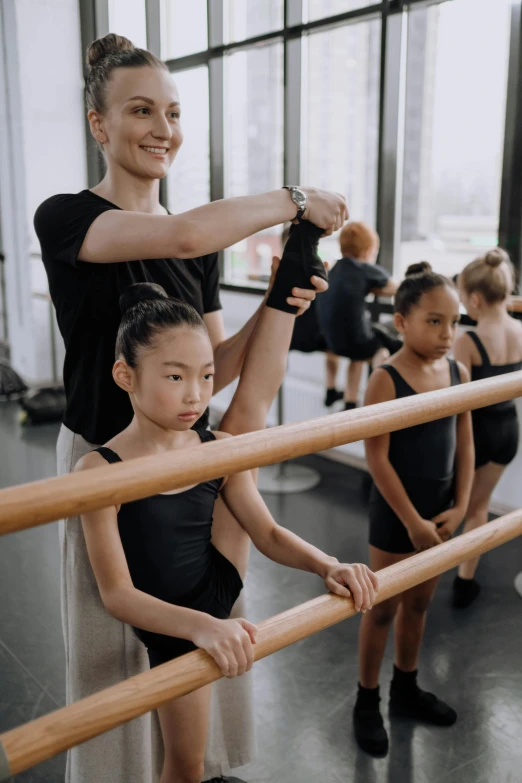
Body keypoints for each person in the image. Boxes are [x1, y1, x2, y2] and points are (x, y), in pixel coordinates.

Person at [33, 33, 348, 783]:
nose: (163, 129)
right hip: (105, 460)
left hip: (188, 456)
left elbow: (213, 369)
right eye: (140, 110)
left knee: (205, 624)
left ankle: (197, 766)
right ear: (98, 124)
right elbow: (182, 229)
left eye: (172, 112)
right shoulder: (67, 216)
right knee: (115, 648)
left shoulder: (196, 248)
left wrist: (279, 303)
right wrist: (296, 199)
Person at [75, 282, 378, 783]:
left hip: (219, 579)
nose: (195, 394)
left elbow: (267, 532)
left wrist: (329, 564)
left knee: (243, 428)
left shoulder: (217, 446)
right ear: (125, 374)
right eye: (175, 376)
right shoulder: (98, 468)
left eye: (207, 376)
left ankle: (288, 285)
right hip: (173, 624)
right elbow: (117, 595)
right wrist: (200, 627)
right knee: (186, 764)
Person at [352, 262, 474, 757]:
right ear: (401, 321)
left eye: (454, 321)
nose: (447, 334)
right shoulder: (386, 378)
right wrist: (411, 523)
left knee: (420, 604)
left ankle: (405, 687)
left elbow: (466, 441)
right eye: (434, 321)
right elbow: (376, 457)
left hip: (440, 512)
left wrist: (462, 503)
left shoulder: (458, 371)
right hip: (398, 514)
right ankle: (367, 699)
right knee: (382, 609)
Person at [452, 248, 522, 608]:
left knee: (457, 505)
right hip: (509, 430)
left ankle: (429, 571)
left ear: (475, 299)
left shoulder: (468, 340)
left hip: (475, 434)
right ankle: (466, 580)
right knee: (479, 506)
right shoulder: (520, 331)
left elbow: (456, 400)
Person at [317, 222, 399, 410]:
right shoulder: (363, 269)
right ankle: (379, 397)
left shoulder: (334, 269)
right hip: (356, 341)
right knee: (379, 350)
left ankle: (345, 398)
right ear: (368, 251)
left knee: (354, 354)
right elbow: (395, 287)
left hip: (330, 340)